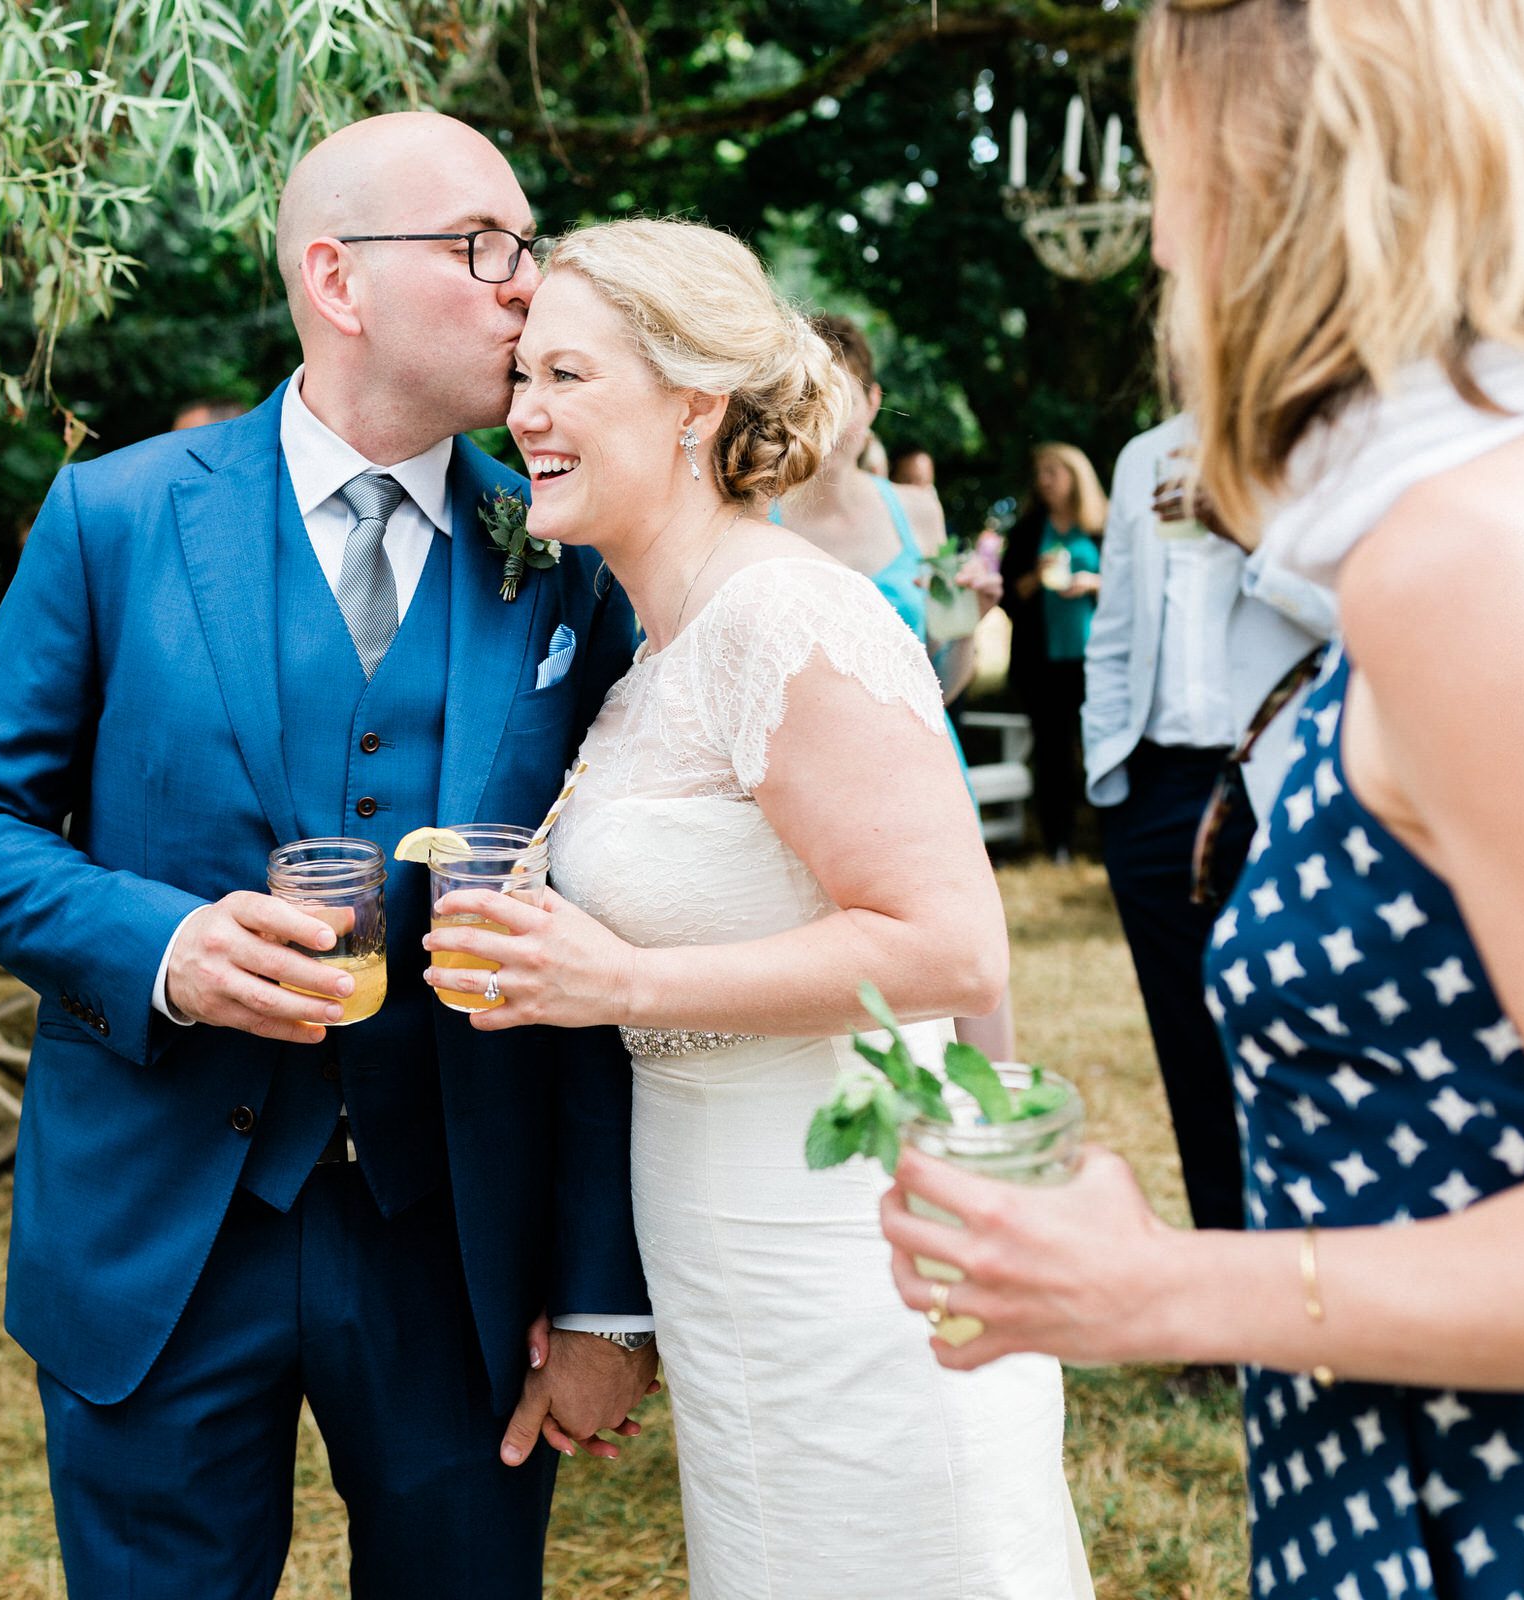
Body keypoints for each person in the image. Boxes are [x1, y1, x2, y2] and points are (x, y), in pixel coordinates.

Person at [879, 2, 1524, 1596]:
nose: (1160, 244)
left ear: (1280, 178)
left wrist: (1164, 1292)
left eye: (1167, 166)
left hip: (1489, 1506)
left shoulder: (1466, 559)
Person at [0, 112, 657, 1597]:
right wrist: (165, 949)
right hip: (160, 1229)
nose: (528, 286)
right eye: (482, 246)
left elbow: (613, 931)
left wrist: (598, 1300)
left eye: (530, 248)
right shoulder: (114, 518)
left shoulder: (571, 558)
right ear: (338, 278)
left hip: (456, 1244)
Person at [421, 218, 1092, 1599]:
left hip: (852, 1249)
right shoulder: (647, 664)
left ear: (692, 402)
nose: (524, 413)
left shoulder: (793, 622)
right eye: (522, 377)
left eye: (567, 377)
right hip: (718, 1248)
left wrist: (622, 985)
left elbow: (950, 945)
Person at [1082, 410, 1329, 1260]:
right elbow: (1112, 632)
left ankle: (1313, 1274)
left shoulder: (1319, 438)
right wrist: (1110, 775)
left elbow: (1356, 608)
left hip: (1278, 781)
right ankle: (1228, 1278)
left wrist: (1245, 526)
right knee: (1189, 1049)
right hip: (1154, 794)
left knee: (1293, 1034)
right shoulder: (1142, 454)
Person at [776, 313, 1016, 1058]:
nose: (829, 416)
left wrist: (968, 622)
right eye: (806, 393)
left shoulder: (916, 510)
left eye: (842, 396)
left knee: (962, 954)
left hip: (921, 756)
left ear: (873, 402)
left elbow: (946, 681)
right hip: (807, 770)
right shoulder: (756, 509)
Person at [998, 442, 1106, 860]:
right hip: (1042, 662)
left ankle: (1102, 837)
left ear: (1075, 477)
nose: (1043, 481)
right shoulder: (1028, 529)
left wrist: (1094, 583)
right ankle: (1057, 841)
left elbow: (1133, 590)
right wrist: (1034, 577)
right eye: (1039, 472)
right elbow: (1009, 595)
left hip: (1095, 661)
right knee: (1052, 752)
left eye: (1052, 472)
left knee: (1097, 747)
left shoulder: (1102, 525)